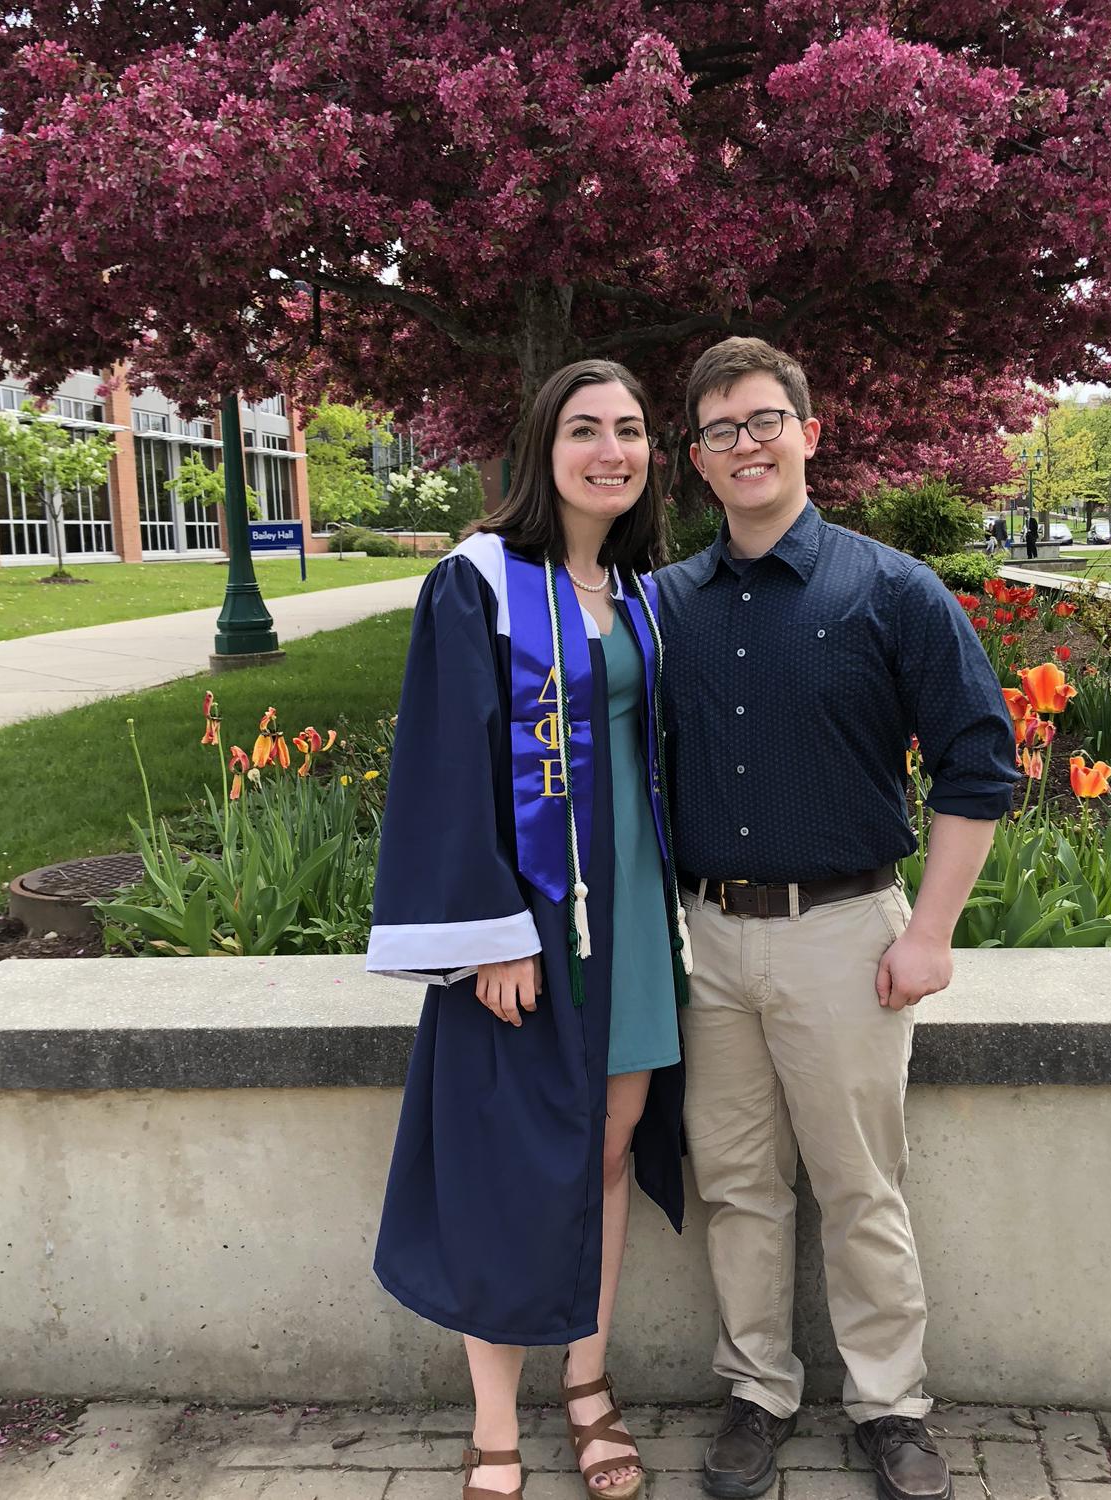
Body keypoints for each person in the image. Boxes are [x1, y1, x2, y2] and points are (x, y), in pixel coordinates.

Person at [656, 337, 1018, 1500]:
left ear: (810, 433)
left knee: (862, 1185)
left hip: (844, 934)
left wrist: (932, 935)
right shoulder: (665, 608)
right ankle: (759, 1389)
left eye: (764, 420)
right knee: (739, 1185)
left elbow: (978, 766)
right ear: (699, 463)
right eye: (720, 432)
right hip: (705, 940)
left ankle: (889, 1405)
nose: (745, 445)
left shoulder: (893, 590)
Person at [366, 360, 691, 1500]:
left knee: (606, 1147)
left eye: (633, 431)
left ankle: (588, 1383)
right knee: (514, 1168)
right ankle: (493, 1418)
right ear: (542, 448)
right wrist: (493, 933)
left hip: (635, 923)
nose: (612, 450)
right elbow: (446, 767)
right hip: (531, 927)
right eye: (586, 429)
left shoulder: (645, 591)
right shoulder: (481, 583)